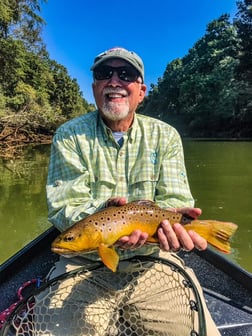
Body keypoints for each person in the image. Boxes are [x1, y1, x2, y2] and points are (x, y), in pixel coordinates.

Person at [45, 47, 220, 335]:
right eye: (104, 74)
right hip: (81, 264)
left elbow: (176, 201)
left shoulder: (166, 136)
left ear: (141, 91)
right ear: (94, 88)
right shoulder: (69, 135)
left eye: (125, 74)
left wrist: (177, 226)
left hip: (154, 260)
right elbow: (64, 207)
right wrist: (103, 212)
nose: (114, 80)